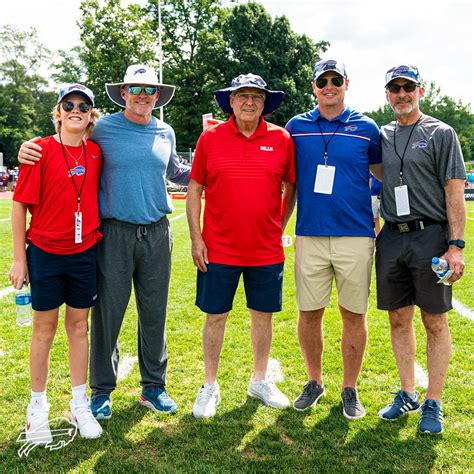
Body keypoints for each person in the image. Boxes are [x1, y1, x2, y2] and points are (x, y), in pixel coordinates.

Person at [17, 65, 190, 419]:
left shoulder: (166, 131)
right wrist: (28, 147)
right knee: (107, 314)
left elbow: (176, 170)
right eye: (135, 89)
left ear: (158, 96)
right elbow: (67, 135)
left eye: (149, 90)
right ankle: (101, 391)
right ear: (124, 92)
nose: (142, 95)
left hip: (157, 231)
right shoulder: (104, 128)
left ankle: (154, 386)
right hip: (113, 232)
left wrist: (214, 162)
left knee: (154, 312)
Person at [186, 73, 296, 418]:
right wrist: (196, 237)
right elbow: (193, 189)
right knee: (215, 316)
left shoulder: (282, 139)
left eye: (256, 97)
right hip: (218, 248)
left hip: (265, 249)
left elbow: (290, 187)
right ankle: (210, 384)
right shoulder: (211, 138)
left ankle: (259, 379)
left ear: (265, 103)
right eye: (242, 95)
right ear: (230, 102)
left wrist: (278, 225)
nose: (249, 102)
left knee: (263, 316)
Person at [285, 59, 382, 418]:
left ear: (346, 83)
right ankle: (314, 381)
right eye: (322, 80)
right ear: (313, 86)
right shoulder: (296, 127)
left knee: (352, 313)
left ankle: (350, 388)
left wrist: (380, 214)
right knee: (309, 313)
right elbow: (288, 181)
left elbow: (383, 174)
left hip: (356, 236)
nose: (329, 85)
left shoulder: (366, 127)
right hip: (309, 234)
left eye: (335, 79)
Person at [9, 84, 103, 442]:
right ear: (59, 112)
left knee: (79, 328)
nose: (76, 110)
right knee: (44, 330)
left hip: (83, 253)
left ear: (91, 114)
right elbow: (19, 206)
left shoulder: (96, 152)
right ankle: (37, 409)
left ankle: (80, 405)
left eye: (83, 105)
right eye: (69, 104)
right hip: (45, 253)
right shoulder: (39, 150)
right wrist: (20, 259)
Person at [375, 64, 466, 435]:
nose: (402, 94)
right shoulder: (380, 134)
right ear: (387, 94)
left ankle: (434, 401)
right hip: (392, 236)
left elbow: (454, 190)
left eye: (408, 87)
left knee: (434, 319)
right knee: (398, 318)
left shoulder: (440, 132)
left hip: (430, 235)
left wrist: (456, 246)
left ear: (420, 91)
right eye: (395, 88)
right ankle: (408, 392)